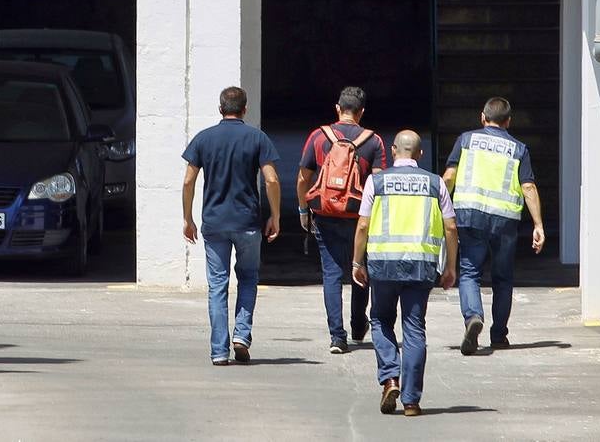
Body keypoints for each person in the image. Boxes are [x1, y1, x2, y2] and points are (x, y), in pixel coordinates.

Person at [352, 130, 457, 417]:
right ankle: (411, 400)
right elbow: (450, 228)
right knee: (414, 328)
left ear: (393, 151)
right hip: (421, 266)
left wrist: (356, 262)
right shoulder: (436, 184)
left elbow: (362, 225)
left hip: (384, 264)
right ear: (420, 154)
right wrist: (450, 267)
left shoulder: (377, 181)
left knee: (380, 319)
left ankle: (390, 378)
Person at [182, 86, 281, 366]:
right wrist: (275, 215)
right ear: (245, 109)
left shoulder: (204, 139)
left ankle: (219, 351)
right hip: (248, 222)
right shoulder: (256, 138)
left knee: (217, 285)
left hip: (214, 223)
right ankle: (242, 335)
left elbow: (189, 180)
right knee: (248, 278)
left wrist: (187, 218)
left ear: (220, 108)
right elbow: (271, 180)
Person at [442, 96, 545, 355]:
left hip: (470, 215)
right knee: (502, 278)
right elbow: (528, 187)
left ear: (482, 117)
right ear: (508, 121)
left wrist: (438, 210)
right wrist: (538, 224)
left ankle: (473, 317)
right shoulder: (519, 148)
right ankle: (498, 335)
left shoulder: (465, 140)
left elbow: (450, 176)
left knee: (469, 272)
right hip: (505, 220)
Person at [295, 85, 389, 353]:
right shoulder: (373, 141)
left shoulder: (318, 136)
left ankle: (338, 336)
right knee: (359, 267)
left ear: (338, 109)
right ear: (361, 112)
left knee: (331, 274)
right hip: (359, 215)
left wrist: (304, 210)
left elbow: (303, 178)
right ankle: (359, 326)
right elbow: (379, 182)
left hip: (325, 214)